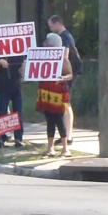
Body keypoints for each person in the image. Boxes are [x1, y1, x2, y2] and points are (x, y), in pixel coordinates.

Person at [35, 33, 74, 157]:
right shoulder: (41, 57)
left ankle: (65, 148)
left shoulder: (62, 59)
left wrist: (62, 78)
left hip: (57, 93)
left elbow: (70, 74)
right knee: (49, 121)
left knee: (59, 120)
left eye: (46, 41)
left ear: (52, 44)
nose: (44, 43)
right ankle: (50, 148)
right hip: (45, 91)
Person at [48, 15, 81, 145]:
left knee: (66, 104)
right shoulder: (67, 35)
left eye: (51, 25)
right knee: (65, 104)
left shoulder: (64, 37)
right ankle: (66, 135)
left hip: (67, 73)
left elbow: (64, 56)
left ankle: (68, 136)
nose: (50, 28)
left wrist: (59, 73)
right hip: (69, 73)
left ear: (57, 23)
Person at [0, 55, 25, 149]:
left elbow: (23, 72)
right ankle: (1, 138)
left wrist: (24, 67)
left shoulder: (18, 54)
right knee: (1, 112)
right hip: (2, 88)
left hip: (16, 87)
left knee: (18, 112)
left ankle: (18, 138)